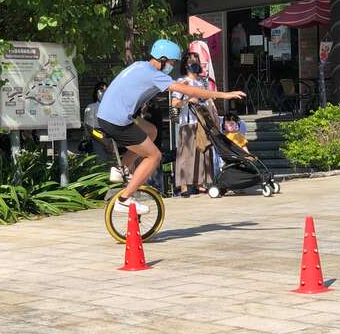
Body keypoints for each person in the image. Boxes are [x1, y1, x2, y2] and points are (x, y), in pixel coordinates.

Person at [97, 39, 246, 213]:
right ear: (161, 59)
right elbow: (190, 92)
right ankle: (124, 199)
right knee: (154, 156)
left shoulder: (140, 66)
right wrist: (224, 95)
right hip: (117, 120)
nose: (172, 66)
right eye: (171, 62)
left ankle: (122, 169)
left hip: (108, 115)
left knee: (151, 131)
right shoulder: (153, 74)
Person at [171, 52, 215, 197]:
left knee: (203, 151)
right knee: (186, 153)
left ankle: (200, 182)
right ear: (185, 64)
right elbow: (175, 103)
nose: (194, 63)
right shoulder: (182, 81)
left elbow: (209, 99)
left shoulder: (203, 82)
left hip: (202, 121)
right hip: (188, 121)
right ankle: (184, 185)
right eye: (191, 61)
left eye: (196, 60)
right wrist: (188, 100)